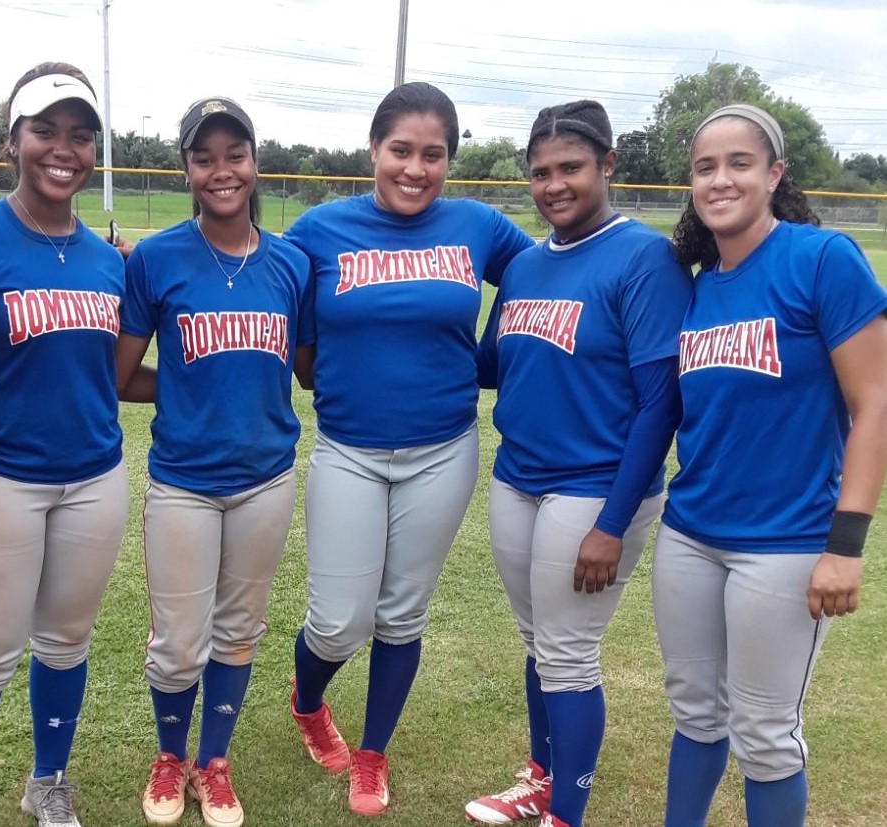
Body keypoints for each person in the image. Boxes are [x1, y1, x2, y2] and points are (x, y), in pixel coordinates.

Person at [281, 81, 534, 817]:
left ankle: (372, 752)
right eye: (401, 150)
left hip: (442, 449)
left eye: (433, 154)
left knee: (400, 615)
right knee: (338, 618)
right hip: (350, 448)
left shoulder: (478, 224)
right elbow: (269, 298)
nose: (415, 168)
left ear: (450, 159)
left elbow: (548, 270)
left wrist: (486, 356)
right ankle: (307, 702)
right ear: (373, 149)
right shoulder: (320, 228)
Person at [653, 104, 887, 827]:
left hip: (785, 546)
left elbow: (875, 399)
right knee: (695, 712)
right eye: (704, 167)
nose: (720, 179)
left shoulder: (821, 258)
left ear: (774, 173)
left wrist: (845, 546)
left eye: (739, 163)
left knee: (765, 735)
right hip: (690, 533)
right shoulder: (695, 286)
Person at [462, 101, 692, 827]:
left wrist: (613, 523)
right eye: (540, 172)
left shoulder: (644, 258)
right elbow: (495, 364)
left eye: (570, 168)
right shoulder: (527, 264)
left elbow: (661, 404)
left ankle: (566, 812)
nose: (553, 184)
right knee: (540, 644)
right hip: (518, 478)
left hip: (596, 487)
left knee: (567, 652)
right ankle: (540, 778)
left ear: (607, 165)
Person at [0, 63, 140, 827]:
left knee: (65, 639)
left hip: (94, 475)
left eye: (81, 135)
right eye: (45, 131)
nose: (65, 148)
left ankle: (46, 781)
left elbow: (119, 368)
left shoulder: (107, 257)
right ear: (12, 141)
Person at [115, 97, 310, 827]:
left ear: (254, 163)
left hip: (265, 477)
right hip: (184, 483)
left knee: (238, 628)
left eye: (235, 154)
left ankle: (214, 761)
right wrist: (192, 382)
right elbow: (120, 374)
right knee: (176, 643)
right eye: (205, 157)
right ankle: (171, 756)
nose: (222, 170)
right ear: (188, 169)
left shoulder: (290, 262)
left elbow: (310, 367)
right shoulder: (160, 257)